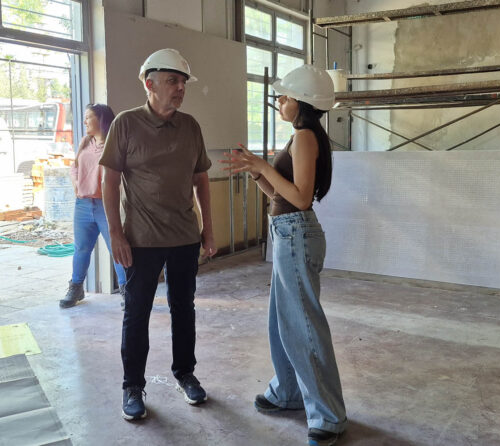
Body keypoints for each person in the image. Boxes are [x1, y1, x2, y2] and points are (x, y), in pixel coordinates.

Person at [220, 64, 347, 446]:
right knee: (282, 322)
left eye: (284, 97)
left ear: (302, 102)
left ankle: (328, 416)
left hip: (296, 234)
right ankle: (288, 392)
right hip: (287, 232)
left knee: (303, 325)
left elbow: (302, 198)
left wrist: (263, 165)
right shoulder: (300, 137)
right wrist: (257, 173)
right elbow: (282, 195)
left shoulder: (305, 137)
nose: (279, 102)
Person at [99, 48, 216, 421]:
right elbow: (109, 180)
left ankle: (185, 374)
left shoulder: (191, 126)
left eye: (182, 82)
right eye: (172, 81)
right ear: (149, 84)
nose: (180, 88)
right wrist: (116, 233)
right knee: (137, 312)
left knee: (184, 309)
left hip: (184, 237)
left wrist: (208, 229)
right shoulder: (126, 124)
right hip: (141, 240)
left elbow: (201, 180)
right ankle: (132, 386)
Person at [60, 104, 126, 309]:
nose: (85, 121)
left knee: (117, 248)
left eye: (88, 117)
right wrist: (76, 184)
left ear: (102, 120)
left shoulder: (115, 145)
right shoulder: (85, 141)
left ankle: (127, 290)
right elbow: (74, 167)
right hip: (83, 204)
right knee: (81, 248)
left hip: (105, 205)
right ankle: (76, 287)